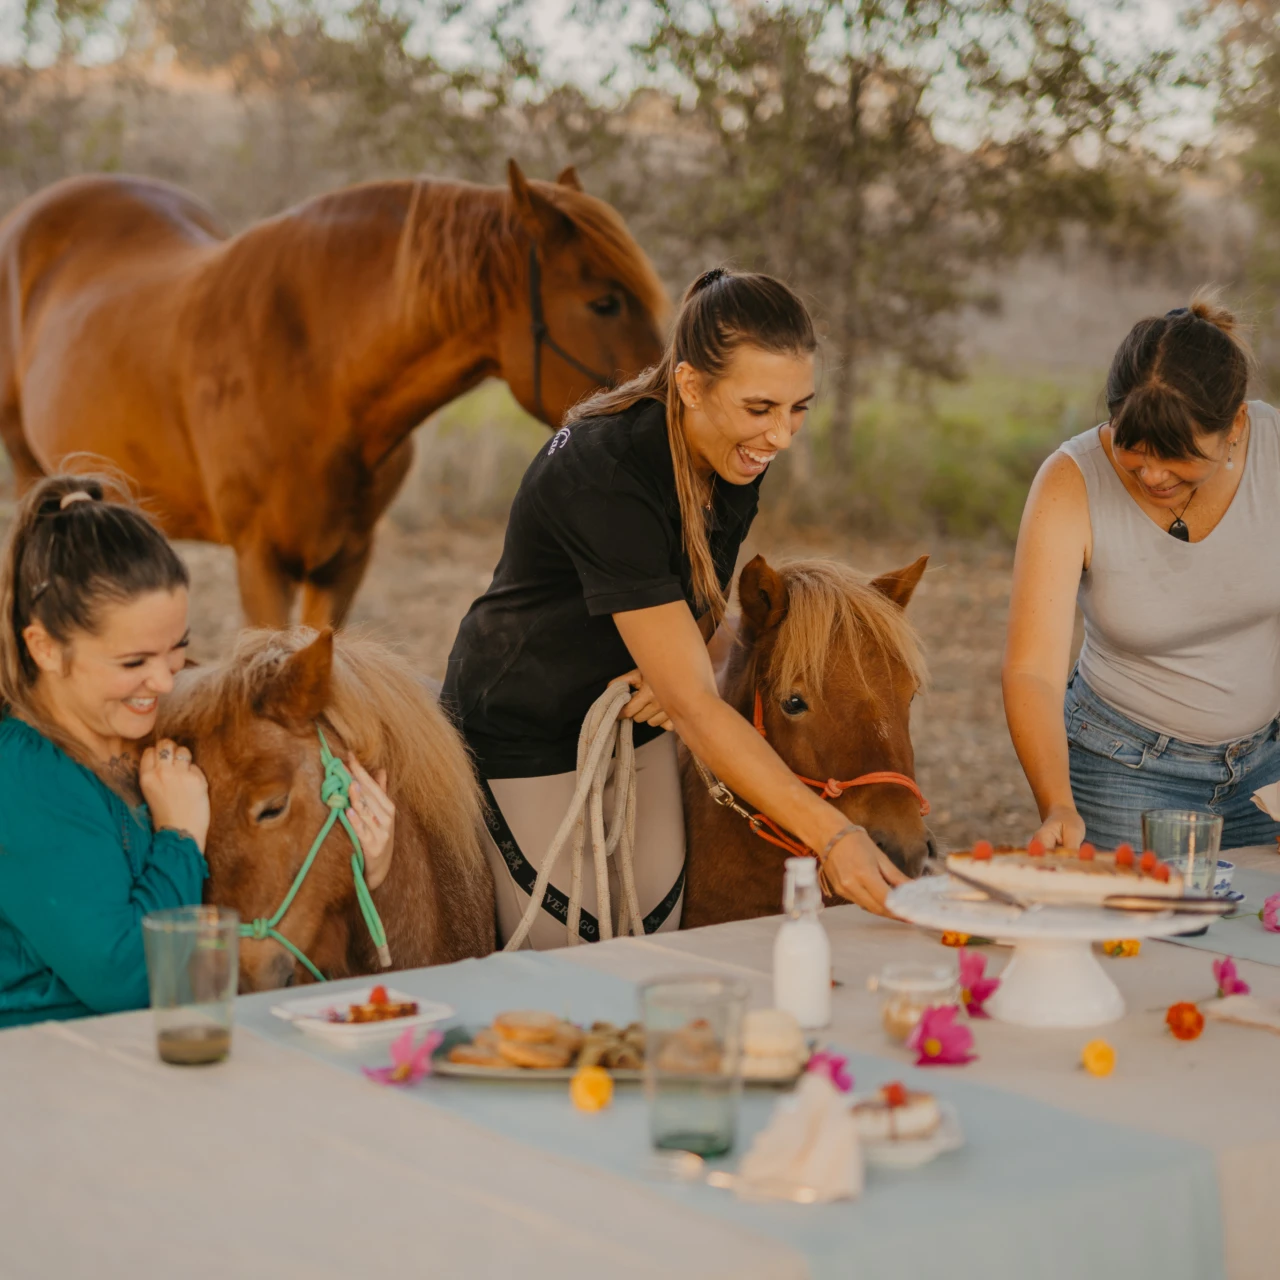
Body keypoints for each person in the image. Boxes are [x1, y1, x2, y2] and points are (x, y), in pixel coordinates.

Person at [443, 268, 906, 949]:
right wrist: (833, 837)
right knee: (571, 947)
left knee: (657, 928)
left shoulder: (735, 451)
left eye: (798, 407)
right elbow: (695, 702)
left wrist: (671, 664)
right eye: (761, 408)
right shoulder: (605, 472)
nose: (782, 436)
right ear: (691, 386)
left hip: (634, 715)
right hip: (527, 724)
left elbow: (696, 597)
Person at [0, 475, 396, 1027]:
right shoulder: (25, 780)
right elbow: (129, 978)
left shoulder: (152, 730)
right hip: (50, 1067)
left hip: (152, 1041)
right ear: (44, 647)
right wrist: (180, 836)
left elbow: (246, 880)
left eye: (178, 649)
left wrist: (358, 863)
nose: (166, 681)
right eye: (134, 663)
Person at [1003, 295, 1280, 851]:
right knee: (1136, 937)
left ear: (1235, 426)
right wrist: (1056, 803)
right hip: (1124, 771)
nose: (1152, 475)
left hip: (1266, 771)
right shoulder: (1069, 482)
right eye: (1133, 449)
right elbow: (1033, 669)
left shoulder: (1274, 448)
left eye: (1179, 456)